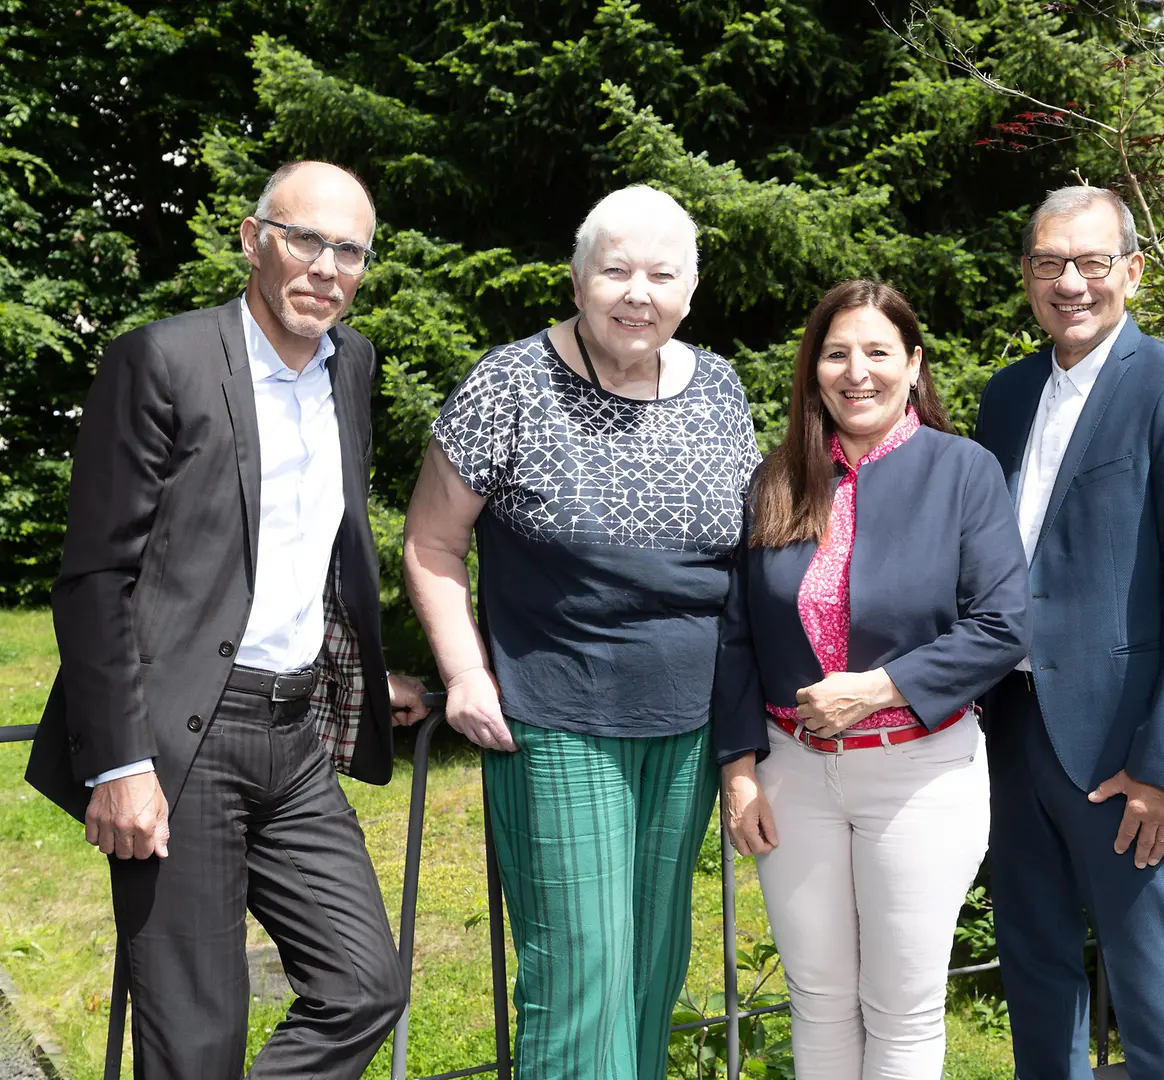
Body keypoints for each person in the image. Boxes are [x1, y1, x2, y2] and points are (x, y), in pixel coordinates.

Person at [25, 160, 431, 1080]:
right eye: (304, 239)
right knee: (195, 1042)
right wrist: (122, 765)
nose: (326, 268)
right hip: (179, 747)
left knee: (366, 985)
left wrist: (366, 678)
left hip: (294, 744)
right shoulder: (161, 358)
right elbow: (94, 579)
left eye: (350, 250)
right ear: (254, 240)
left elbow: (316, 551)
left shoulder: (351, 366)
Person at [402, 184, 760, 1080]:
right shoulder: (510, 382)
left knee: (652, 971)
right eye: (616, 270)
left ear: (690, 288)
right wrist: (465, 674)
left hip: (687, 723)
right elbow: (431, 541)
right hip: (558, 716)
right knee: (579, 981)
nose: (638, 292)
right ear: (577, 278)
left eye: (661, 274)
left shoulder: (719, 385)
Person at [713, 279, 1031, 1079]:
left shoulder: (963, 471)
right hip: (792, 777)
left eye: (878, 352)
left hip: (921, 772)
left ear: (914, 363)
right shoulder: (776, 478)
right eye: (837, 353)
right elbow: (736, 634)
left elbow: (1004, 624)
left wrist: (878, 688)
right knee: (818, 1001)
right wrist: (739, 770)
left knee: (902, 1008)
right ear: (813, 368)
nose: (858, 372)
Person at [973, 186, 1164, 1079]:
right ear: (1027, 277)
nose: (1071, 283)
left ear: (1132, 270)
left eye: (1092, 262)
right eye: (1050, 264)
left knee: (1153, 988)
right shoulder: (1007, 396)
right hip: (1010, 734)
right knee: (1036, 972)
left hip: (1127, 752)